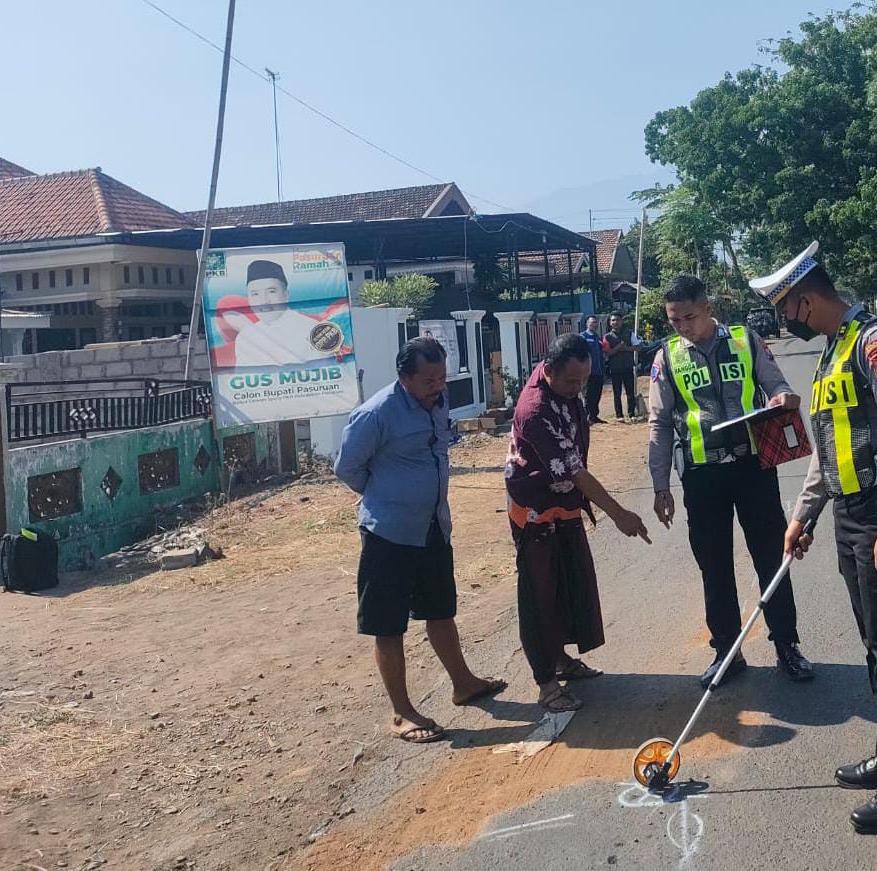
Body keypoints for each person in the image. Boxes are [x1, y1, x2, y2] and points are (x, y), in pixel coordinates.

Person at [756, 241, 877, 834]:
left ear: (806, 302)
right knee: (874, 640)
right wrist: (803, 514)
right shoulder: (833, 352)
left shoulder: (876, 342)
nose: (786, 321)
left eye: (787, 311)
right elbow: (828, 444)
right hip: (849, 513)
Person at [334, 337, 506, 744]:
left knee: (440, 610)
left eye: (441, 377)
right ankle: (402, 713)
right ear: (405, 377)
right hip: (388, 534)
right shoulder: (377, 413)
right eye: (428, 379)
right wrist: (388, 495)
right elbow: (347, 468)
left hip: (432, 526)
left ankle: (463, 683)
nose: (437, 385)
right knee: (388, 625)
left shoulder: (440, 401)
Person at [647, 276, 814, 688]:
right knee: (714, 565)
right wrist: (660, 484)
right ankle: (726, 651)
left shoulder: (745, 340)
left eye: (689, 316)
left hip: (753, 467)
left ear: (707, 307)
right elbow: (660, 423)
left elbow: (776, 385)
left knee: (771, 558)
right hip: (703, 477)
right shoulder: (666, 358)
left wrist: (783, 398)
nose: (682, 326)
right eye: (674, 320)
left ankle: (787, 645)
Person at [506, 333, 651, 712]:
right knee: (539, 595)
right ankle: (546, 683)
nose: (579, 389)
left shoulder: (564, 390)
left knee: (570, 582)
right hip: (535, 508)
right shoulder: (535, 409)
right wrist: (620, 514)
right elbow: (574, 470)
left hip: (564, 502)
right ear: (549, 370)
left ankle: (560, 659)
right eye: (572, 381)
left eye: (584, 380)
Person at [230, 259, 333, 367]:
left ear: (286, 295)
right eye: (255, 294)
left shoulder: (312, 329)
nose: (264, 301)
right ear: (249, 299)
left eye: (271, 292)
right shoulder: (246, 336)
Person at [603, 312, 638, 420]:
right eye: (613, 320)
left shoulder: (629, 333)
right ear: (610, 323)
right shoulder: (607, 337)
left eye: (617, 320)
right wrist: (619, 347)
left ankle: (631, 414)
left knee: (630, 392)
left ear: (621, 321)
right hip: (615, 368)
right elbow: (607, 352)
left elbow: (639, 346)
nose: (615, 322)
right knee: (617, 393)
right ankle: (619, 415)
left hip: (627, 367)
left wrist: (626, 349)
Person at [578, 315, 607, 423]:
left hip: (598, 371)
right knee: (588, 395)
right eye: (592, 322)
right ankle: (587, 418)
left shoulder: (597, 338)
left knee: (597, 394)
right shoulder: (583, 337)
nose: (594, 325)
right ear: (587, 324)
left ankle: (594, 416)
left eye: (595, 323)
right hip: (588, 372)